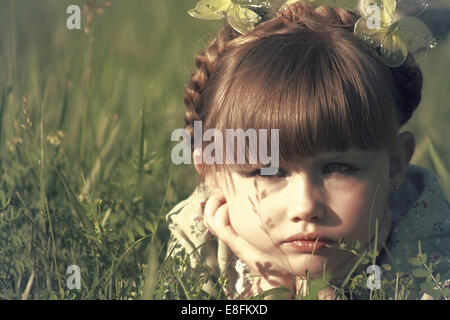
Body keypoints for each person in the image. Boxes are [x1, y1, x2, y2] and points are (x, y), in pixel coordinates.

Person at [165, 1, 449, 300]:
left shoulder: (425, 245)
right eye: (269, 170)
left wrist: (320, 292)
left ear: (395, 165)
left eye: (337, 168)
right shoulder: (201, 240)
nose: (306, 207)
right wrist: (269, 282)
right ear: (213, 172)